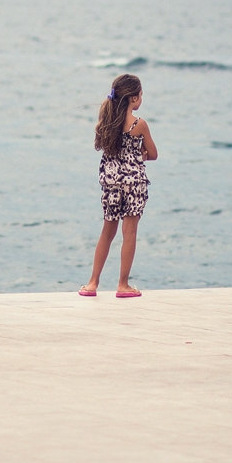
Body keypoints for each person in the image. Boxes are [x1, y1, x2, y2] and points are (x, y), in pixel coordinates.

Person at [80, 74, 158, 298]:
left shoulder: (107, 122)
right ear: (134, 98)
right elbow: (153, 154)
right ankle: (123, 284)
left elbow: (104, 147)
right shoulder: (139, 124)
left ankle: (92, 283)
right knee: (129, 233)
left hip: (112, 183)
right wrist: (140, 154)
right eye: (141, 95)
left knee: (107, 231)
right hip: (133, 183)